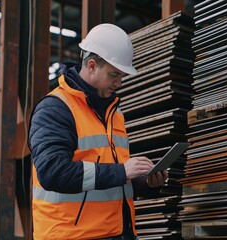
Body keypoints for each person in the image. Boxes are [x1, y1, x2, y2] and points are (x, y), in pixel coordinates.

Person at [28, 23, 168, 240]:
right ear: (92, 65)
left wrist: (145, 183)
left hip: (119, 233)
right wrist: (122, 171)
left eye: (122, 76)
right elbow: (53, 172)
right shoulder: (56, 108)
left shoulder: (113, 112)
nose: (119, 83)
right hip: (72, 236)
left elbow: (111, 180)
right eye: (114, 75)